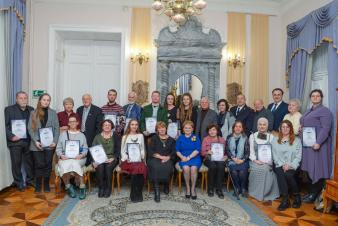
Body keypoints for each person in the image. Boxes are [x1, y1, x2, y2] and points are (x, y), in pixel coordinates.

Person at [300, 89, 333, 203]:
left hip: (319, 145)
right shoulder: (309, 110)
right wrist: (301, 128)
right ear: (310, 98)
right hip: (308, 145)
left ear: (321, 97)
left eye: (317, 96)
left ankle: (315, 194)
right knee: (309, 168)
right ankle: (311, 192)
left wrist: (318, 142)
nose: (315, 97)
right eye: (313, 96)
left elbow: (326, 128)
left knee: (317, 168)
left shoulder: (325, 111)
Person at [28, 93, 60, 193]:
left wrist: (55, 141)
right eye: (44, 100)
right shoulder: (33, 113)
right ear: (40, 101)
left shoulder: (53, 113)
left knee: (47, 164)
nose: (46, 102)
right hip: (36, 145)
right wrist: (36, 141)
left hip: (50, 145)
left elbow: (57, 129)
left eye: (48, 100)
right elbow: (30, 129)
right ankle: (38, 185)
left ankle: (46, 184)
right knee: (39, 164)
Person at [4, 91, 34, 191]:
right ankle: (18, 182)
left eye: (25, 98)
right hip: (15, 142)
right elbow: (5, 126)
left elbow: (34, 125)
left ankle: (30, 180)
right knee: (16, 163)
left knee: (29, 162)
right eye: (21, 98)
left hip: (28, 141)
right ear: (16, 99)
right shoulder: (8, 109)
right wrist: (11, 136)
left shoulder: (31, 109)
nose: (23, 100)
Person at [272, 120, 302, 211]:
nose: (285, 129)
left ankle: (297, 196)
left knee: (288, 174)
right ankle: (285, 199)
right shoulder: (275, 140)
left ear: (290, 128)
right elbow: (275, 156)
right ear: (280, 129)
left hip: (292, 164)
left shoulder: (297, 140)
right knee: (281, 173)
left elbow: (298, 156)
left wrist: (290, 165)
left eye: (287, 127)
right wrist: (282, 165)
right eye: (283, 127)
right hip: (279, 164)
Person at [55, 115, 88, 199]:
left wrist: (81, 155)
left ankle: (82, 187)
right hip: (65, 158)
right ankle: (68, 186)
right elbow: (58, 148)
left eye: (74, 121)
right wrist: (61, 155)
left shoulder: (82, 135)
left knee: (75, 163)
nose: (72, 123)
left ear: (77, 123)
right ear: (68, 123)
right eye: (70, 122)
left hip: (79, 158)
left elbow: (85, 149)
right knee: (63, 165)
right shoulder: (63, 135)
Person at [248, 117, 279, 201]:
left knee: (266, 169)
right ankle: (255, 192)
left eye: (264, 124)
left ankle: (266, 193)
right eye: (260, 124)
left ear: (267, 126)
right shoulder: (252, 136)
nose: (262, 126)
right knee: (259, 169)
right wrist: (255, 160)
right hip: (255, 161)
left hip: (267, 162)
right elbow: (251, 152)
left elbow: (274, 151)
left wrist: (269, 161)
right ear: (257, 126)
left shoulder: (271, 137)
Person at [147, 122, 176, 202]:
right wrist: (161, 157)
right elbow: (150, 151)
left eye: (163, 127)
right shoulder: (154, 138)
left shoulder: (171, 139)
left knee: (167, 166)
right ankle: (157, 190)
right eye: (159, 128)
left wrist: (167, 157)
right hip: (155, 158)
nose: (161, 129)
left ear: (166, 129)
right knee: (155, 167)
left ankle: (166, 184)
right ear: (157, 130)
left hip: (168, 158)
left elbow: (174, 152)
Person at [120, 119, 147, 202]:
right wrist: (127, 158)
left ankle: (138, 192)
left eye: (136, 124)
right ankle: (133, 192)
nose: (134, 126)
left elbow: (142, 149)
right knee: (136, 168)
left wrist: (141, 156)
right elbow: (122, 151)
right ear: (129, 126)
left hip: (138, 159)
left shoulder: (140, 136)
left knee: (142, 168)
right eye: (132, 124)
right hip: (128, 160)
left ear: (138, 126)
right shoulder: (125, 137)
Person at [92, 119, 120, 198]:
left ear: (112, 126)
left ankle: (108, 188)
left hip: (112, 157)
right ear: (102, 127)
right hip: (99, 158)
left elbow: (118, 149)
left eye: (109, 125)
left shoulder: (115, 135)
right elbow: (93, 149)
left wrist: (113, 158)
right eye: (105, 125)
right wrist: (94, 161)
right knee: (100, 167)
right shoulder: (97, 137)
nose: (107, 126)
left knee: (108, 167)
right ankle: (101, 187)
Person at [176, 121, 201, 199]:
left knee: (193, 168)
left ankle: (193, 189)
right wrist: (182, 157)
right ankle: (187, 188)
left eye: (189, 128)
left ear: (192, 129)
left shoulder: (195, 137)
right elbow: (177, 150)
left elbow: (197, 150)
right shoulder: (180, 137)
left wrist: (189, 157)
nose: (187, 129)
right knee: (186, 168)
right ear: (183, 129)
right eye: (185, 128)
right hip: (183, 157)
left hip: (194, 157)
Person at [201, 124, 227, 198]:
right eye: (210, 130)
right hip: (208, 159)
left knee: (221, 166)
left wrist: (225, 156)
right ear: (208, 132)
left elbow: (225, 152)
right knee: (212, 166)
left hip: (219, 159)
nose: (212, 131)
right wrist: (207, 152)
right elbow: (202, 152)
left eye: (214, 130)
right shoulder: (205, 139)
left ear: (217, 131)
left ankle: (219, 189)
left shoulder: (222, 139)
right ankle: (210, 188)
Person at [76, 94, 103, 165]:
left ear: (91, 100)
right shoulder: (79, 109)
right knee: (81, 155)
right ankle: (81, 173)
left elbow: (99, 126)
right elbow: (77, 123)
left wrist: (95, 138)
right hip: (81, 136)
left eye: (87, 99)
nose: (85, 100)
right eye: (84, 99)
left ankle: (91, 175)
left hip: (92, 137)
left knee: (91, 157)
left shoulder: (97, 110)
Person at [226, 121, 250, 198]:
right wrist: (233, 158)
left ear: (242, 128)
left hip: (243, 160)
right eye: (236, 126)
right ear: (233, 128)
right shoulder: (229, 137)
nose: (238, 128)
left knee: (242, 171)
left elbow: (247, 152)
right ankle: (237, 188)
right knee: (234, 171)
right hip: (232, 159)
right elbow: (227, 150)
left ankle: (243, 188)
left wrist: (242, 160)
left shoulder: (245, 137)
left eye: (240, 126)